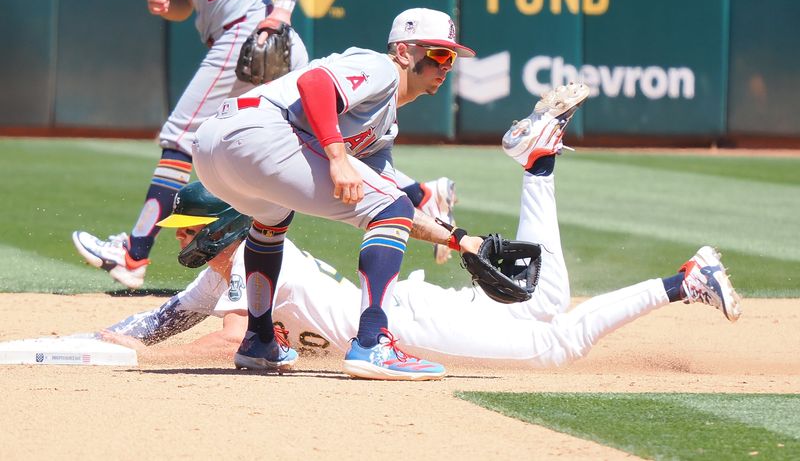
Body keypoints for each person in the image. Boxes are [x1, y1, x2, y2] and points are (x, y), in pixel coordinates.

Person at [102, 84, 741, 368]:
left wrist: (150, 366)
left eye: (185, 228)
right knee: (544, 300)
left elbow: (224, 341)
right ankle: (682, 276)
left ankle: (680, 277)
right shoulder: (231, 269)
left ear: (221, 227)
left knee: (556, 345)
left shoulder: (248, 262)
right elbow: (167, 320)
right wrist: (100, 343)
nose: (180, 240)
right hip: (409, 306)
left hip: (411, 325)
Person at [191, 7, 481, 380]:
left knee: (273, 217)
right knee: (385, 207)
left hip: (213, 148)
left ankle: (259, 341)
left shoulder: (383, 126)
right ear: (405, 52)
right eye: (438, 53)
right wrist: (337, 155)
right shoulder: (381, 69)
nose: (445, 65)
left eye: (450, 57)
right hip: (258, 132)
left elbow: (394, 204)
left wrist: (459, 240)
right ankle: (373, 342)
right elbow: (314, 83)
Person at [72, 0, 315, 290]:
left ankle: (133, 253)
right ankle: (411, 196)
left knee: (180, 138)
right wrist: (165, 2)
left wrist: (284, 8)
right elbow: (182, 3)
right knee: (316, 134)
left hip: (250, 32)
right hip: (247, 39)